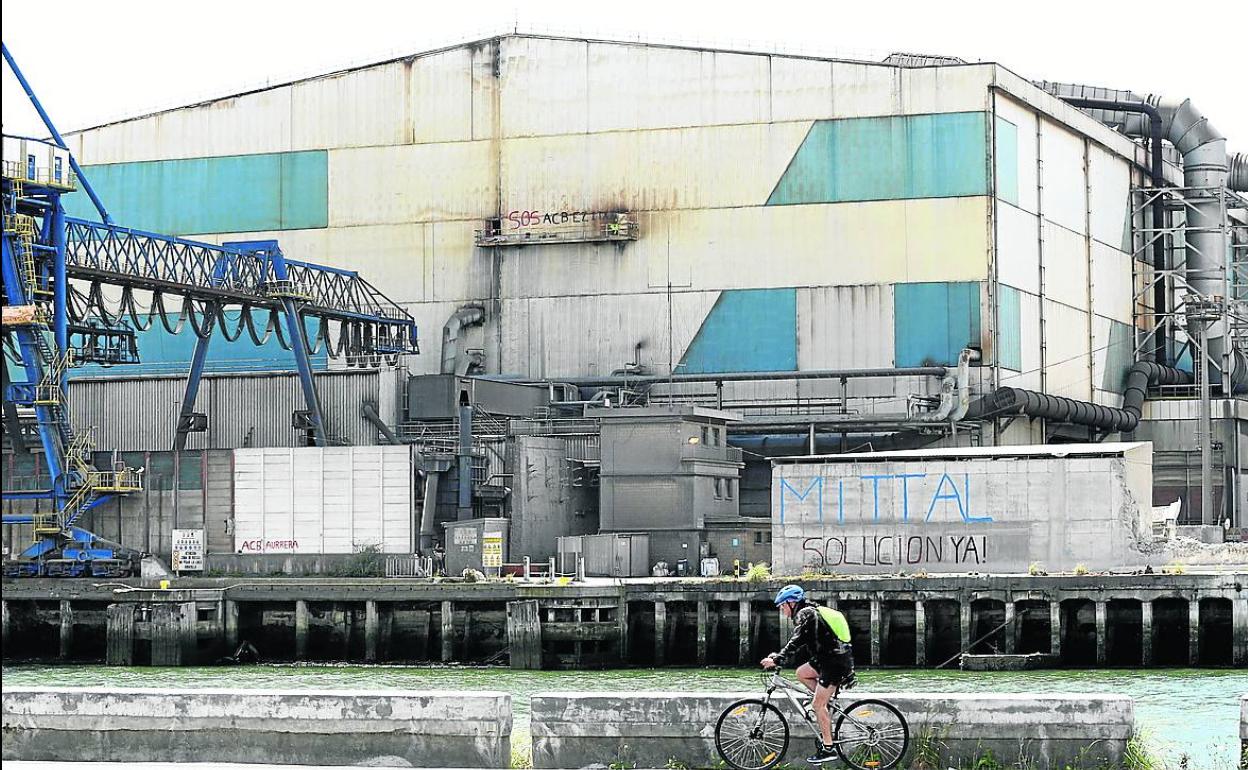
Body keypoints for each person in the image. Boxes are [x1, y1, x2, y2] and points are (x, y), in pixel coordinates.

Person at [760, 584, 856, 764]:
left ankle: (828, 748)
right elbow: (800, 639)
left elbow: (796, 640)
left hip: (834, 663)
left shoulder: (806, 614)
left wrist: (777, 659)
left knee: (818, 705)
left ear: (791, 603)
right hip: (827, 658)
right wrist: (779, 656)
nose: (782, 610)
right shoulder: (808, 613)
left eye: (782, 606)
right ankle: (825, 701)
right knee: (802, 673)